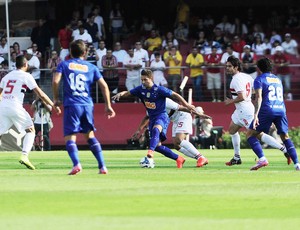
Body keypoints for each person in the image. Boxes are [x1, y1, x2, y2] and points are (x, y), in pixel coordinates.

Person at [52, 40, 116, 175]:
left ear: (70, 52)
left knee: (70, 137)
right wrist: (108, 105)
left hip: (72, 104)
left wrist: (56, 98)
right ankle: (102, 166)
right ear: (85, 52)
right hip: (87, 105)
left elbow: (56, 81)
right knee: (90, 135)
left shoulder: (64, 64)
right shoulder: (91, 67)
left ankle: (76, 164)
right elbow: (104, 86)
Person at [112, 69, 196, 168]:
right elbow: (128, 93)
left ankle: (150, 152)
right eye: (142, 80)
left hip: (162, 116)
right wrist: (120, 94)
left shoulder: (159, 89)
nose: (143, 82)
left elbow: (175, 95)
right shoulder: (140, 89)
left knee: (157, 129)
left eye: (145, 80)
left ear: (151, 78)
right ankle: (179, 159)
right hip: (152, 118)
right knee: (158, 146)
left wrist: (187, 105)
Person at [224, 56, 288, 166]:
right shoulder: (246, 76)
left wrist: (230, 101)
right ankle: (236, 157)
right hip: (241, 109)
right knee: (232, 130)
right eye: (226, 66)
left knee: (257, 134)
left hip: (244, 110)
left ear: (236, 67)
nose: (227, 68)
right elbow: (254, 90)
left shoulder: (236, 79)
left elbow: (242, 96)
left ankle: (284, 150)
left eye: (229, 66)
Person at [0, 55, 60, 170]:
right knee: (30, 130)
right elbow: (40, 94)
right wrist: (53, 105)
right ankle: (24, 156)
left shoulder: (6, 77)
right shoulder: (26, 76)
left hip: (3, 106)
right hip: (15, 106)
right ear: (25, 64)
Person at [246, 57, 300, 171]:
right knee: (285, 136)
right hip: (281, 108)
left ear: (259, 68)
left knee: (250, 135)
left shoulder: (259, 79)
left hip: (267, 109)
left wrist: (255, 115)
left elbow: (259, 97)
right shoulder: (277, 79)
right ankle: (297, 164)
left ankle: (262, 159)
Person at [133, 98, 210, 167]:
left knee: (179, 140)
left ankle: (201, 157)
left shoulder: (165, 101)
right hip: (175, 120)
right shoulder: (151, 106)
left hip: (183, 116)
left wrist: (199, 114)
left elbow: (182, 108)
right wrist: (139, 130)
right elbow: (147, 117)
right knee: (176, 145)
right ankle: (198, 158)